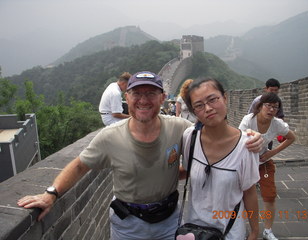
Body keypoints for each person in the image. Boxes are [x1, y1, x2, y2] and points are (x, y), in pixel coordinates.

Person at [17, 71, 263, 240]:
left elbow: (211, 136)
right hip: (128, 225)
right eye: (137, 94)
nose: (144, 100)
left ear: (162, 98)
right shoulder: (110, 136)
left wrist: (249, 136)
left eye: (151, 94)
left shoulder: (180, 129)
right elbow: (80, 165)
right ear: (127, 98)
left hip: (170, 221)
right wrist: (51, 193)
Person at [181, 78, 260, 240]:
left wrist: (254, 232)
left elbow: (250, 193)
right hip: (193, 232)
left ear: (225, 98)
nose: (208, 108)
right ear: (194, 111)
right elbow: (186, 170)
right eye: (199, 105)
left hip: (229, 233)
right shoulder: (190, 137)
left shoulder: (247, 146)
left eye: (212, 99)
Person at [239, 92, 296, 240]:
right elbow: (239, 140)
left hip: (263, 163)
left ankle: (267, 231)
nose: (271, 110)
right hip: (244, 163)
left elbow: (292, 137)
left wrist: (272, 152)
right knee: (238, 196)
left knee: (269, 196)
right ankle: (237, 227)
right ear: (260, 106)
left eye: (275, 107)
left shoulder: (277, 124)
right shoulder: (248, 120)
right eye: (268, 106)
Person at [248, 78, 285, 149]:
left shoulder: (278, 101)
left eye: (276, 90)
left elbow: (280, 116)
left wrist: (282, 132)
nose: (273, 92)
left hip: (268, 132)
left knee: (266, 153)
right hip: (254, 131)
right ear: (266, 89)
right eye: (271, 90)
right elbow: (250, 115)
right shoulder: (257, 101)